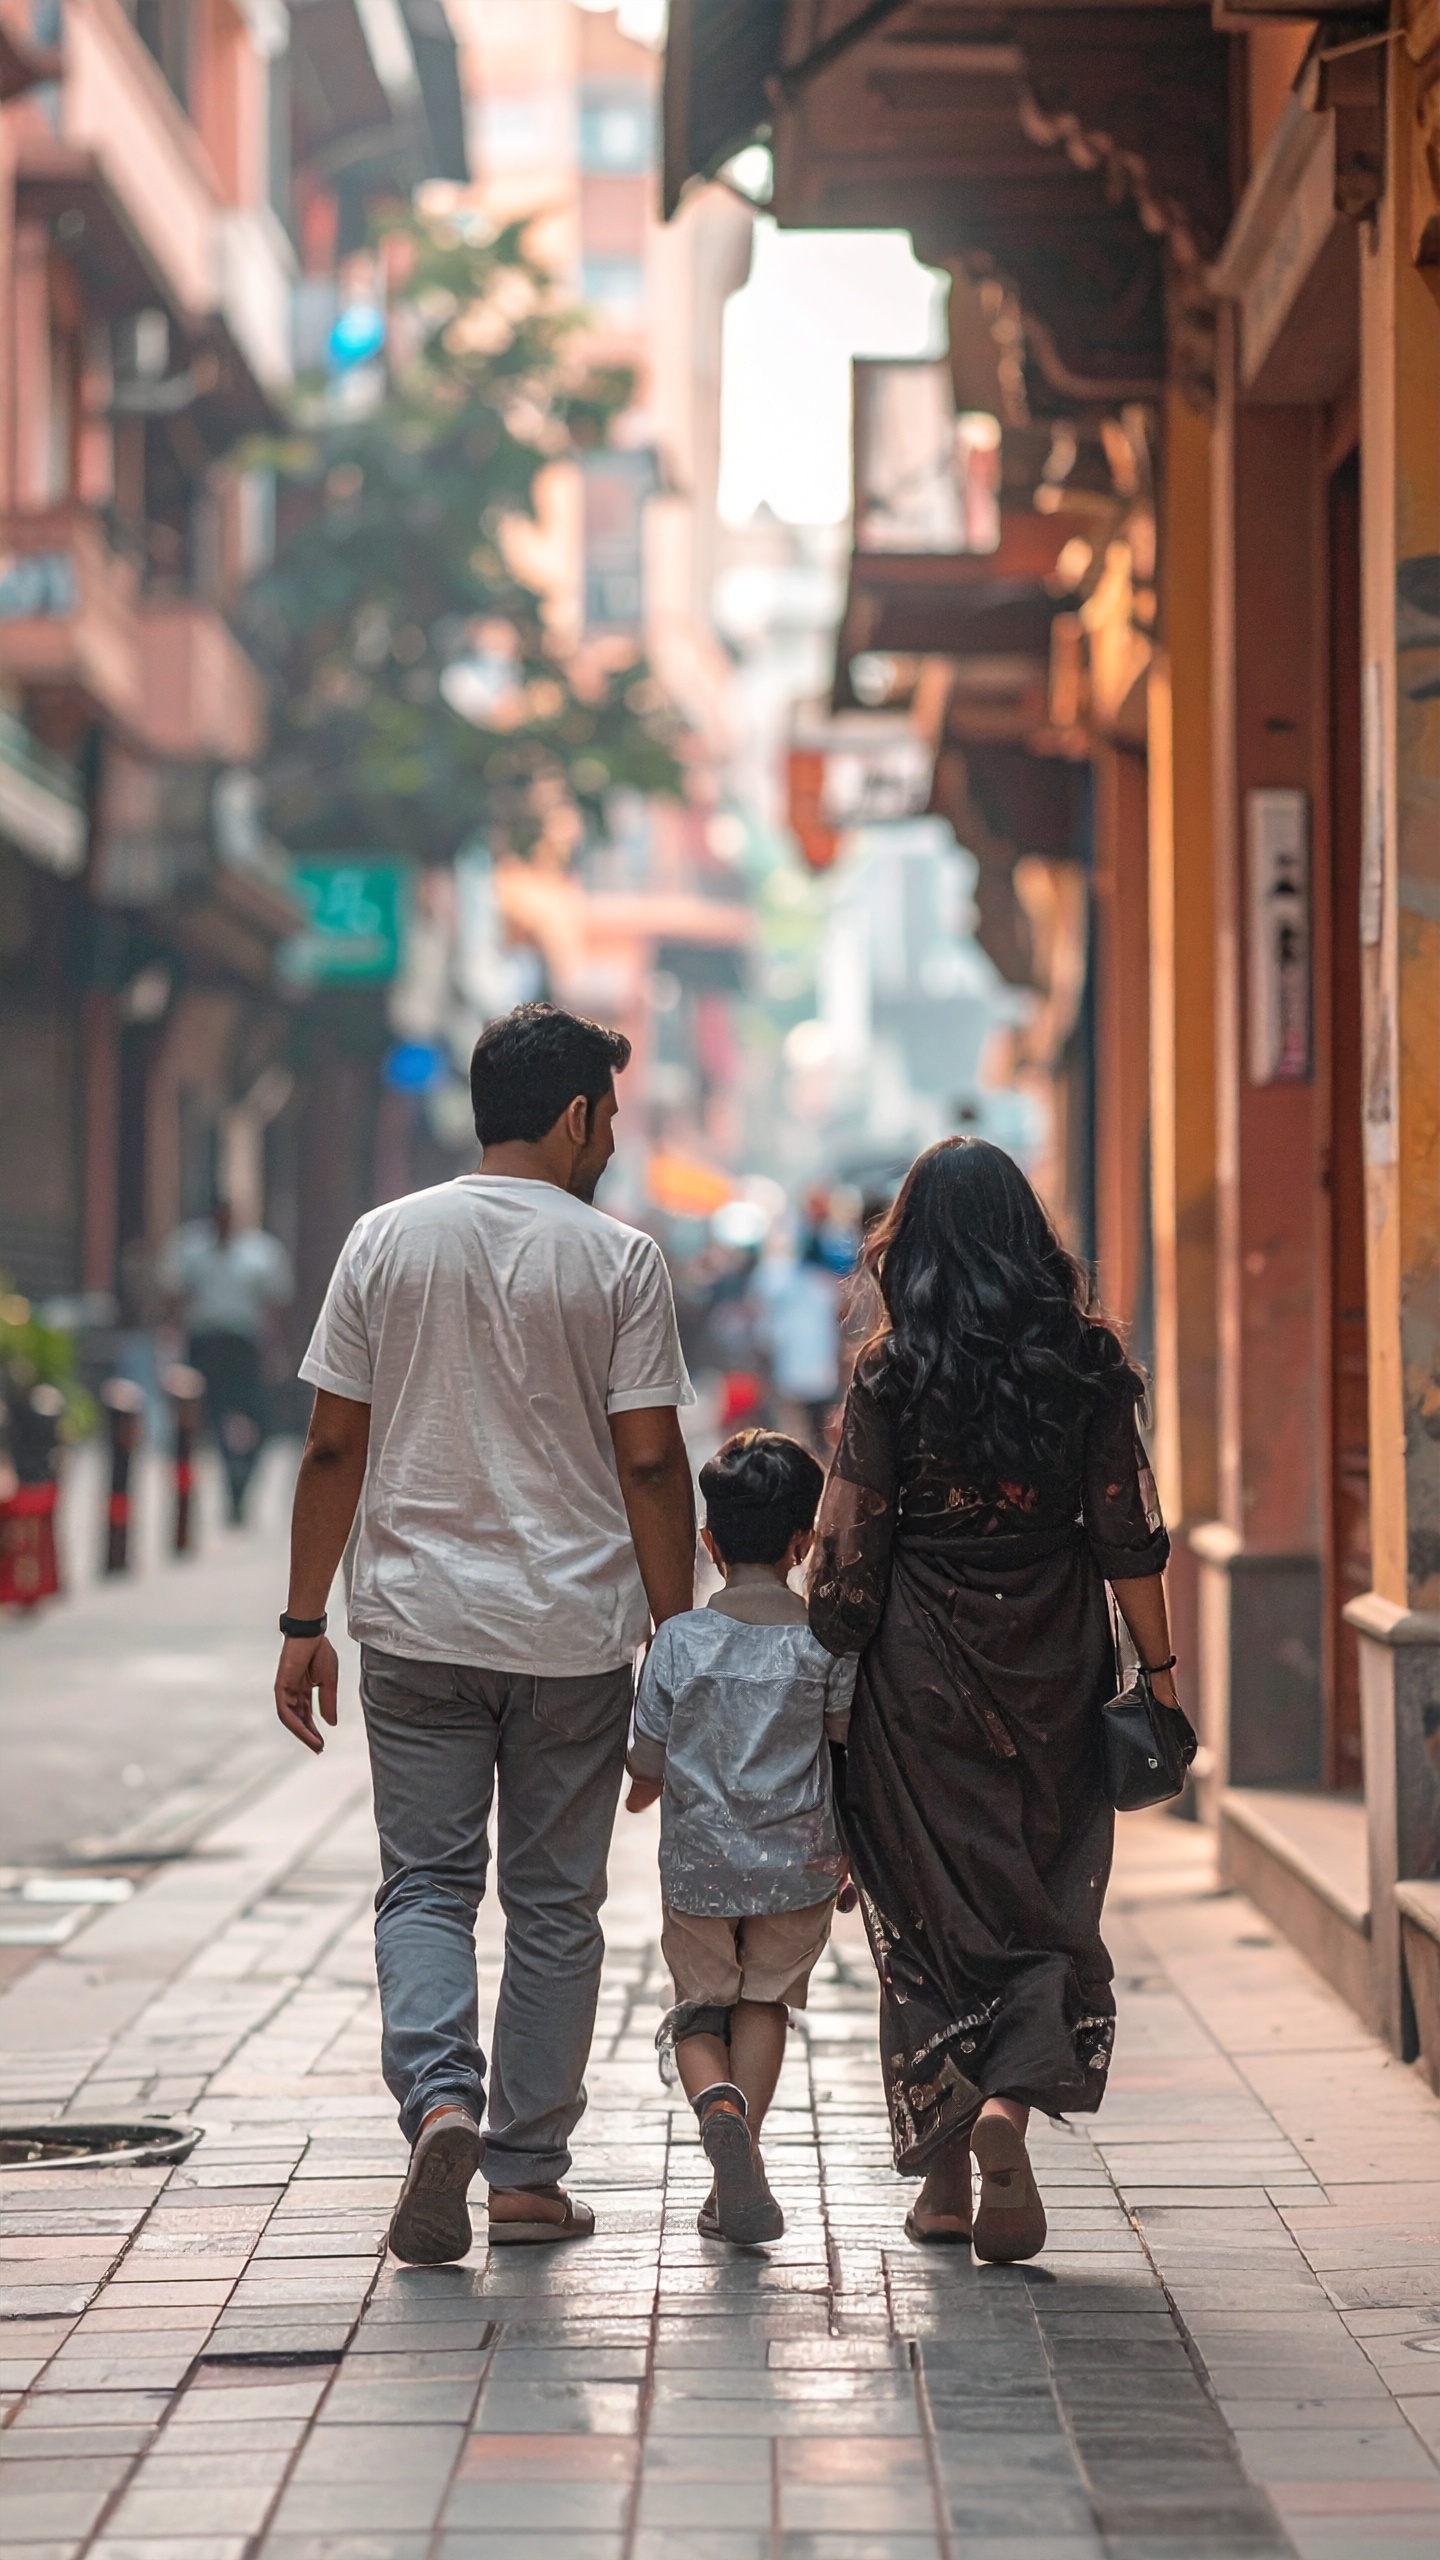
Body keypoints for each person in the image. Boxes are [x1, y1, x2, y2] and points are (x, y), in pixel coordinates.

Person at [272, 1004, 697, 2264]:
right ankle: (523, 2176)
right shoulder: (620, 1261)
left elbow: (333, 1442)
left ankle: (440, 2101)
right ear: (575, 1114)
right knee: (558, 1905)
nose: (613, 1140)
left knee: (426, 1886)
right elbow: (654, 1464)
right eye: (610, 1116)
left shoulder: (382, 1242)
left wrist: (304, 1620)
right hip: (572, 1638)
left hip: (413, 1626)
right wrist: (676, 1645)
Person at [807, 1138, 1174, 2263]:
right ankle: (1011, 2103)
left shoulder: (891, 1371)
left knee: (928, 1919)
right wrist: (1157, 1678)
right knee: (1045, 1897)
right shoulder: (1089, 1367)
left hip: (920, 1670)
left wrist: (828, 1671)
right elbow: (1127, 1538)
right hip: (1055, 1660)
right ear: (1030, 1238)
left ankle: (950, 2183)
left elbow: (851, 1554)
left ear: (909, 1247)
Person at [625, 1430, 854, 2245]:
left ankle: (713, 2106)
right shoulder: (826, 1641)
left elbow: (645, 1760)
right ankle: (743, 2160)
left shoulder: (679, 1641)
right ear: (804, 1545)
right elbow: (841, 1742)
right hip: (799, 1864)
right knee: (764, 2004)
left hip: (700, 1871)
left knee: (699, 2013)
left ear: (709, 1543)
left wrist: (642, 1790)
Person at [157, 1201, 293, 1523]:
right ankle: (212, 1490)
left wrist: (276, 1352)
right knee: (209, 1420)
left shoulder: (261, 1253)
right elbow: (176, 1301)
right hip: (205, 1345)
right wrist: (170, 1348)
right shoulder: (189, 1249)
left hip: (245, 1347)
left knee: (259, 1420)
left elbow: (274, 1308)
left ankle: (242, 1481)